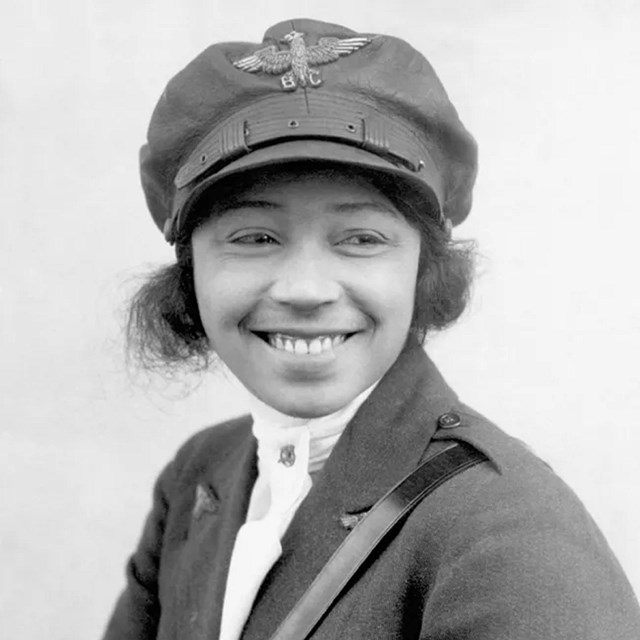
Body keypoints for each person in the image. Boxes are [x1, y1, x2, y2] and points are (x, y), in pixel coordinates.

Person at [103, 18, 640, 640]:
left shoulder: (508, 529)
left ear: (423, 270)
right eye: (254, 238)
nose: (305, 289)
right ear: (192, 272)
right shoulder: (203, 474)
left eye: (361, 238)